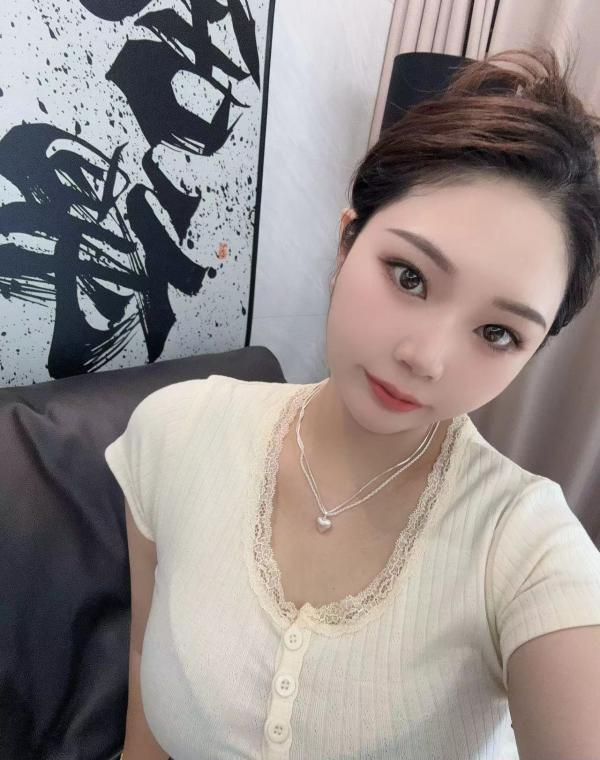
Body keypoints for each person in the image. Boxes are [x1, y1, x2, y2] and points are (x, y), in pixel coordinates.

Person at [106, 45, 600, 760]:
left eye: (497, 333)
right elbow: (144, 693)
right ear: (347, 242)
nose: (426, 358)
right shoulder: (174, 433)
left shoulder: (526, 548)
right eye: (409, 276)